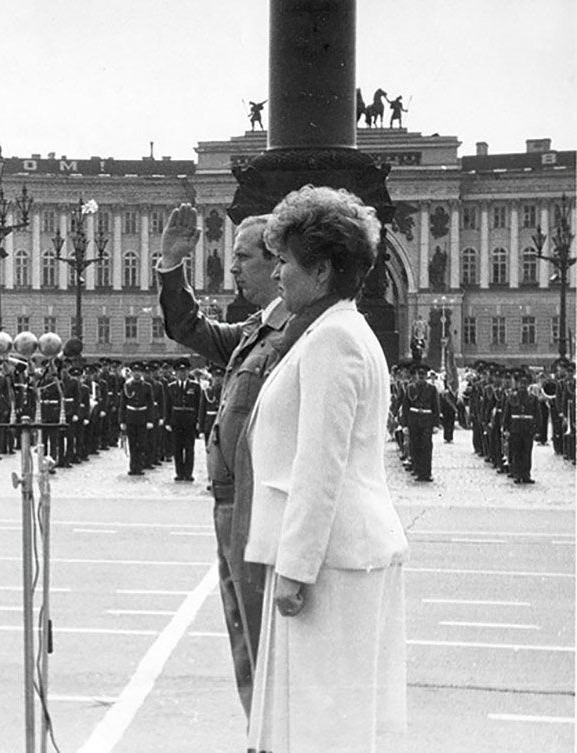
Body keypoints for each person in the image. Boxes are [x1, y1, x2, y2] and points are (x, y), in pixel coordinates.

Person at [243, 185, 409, 752]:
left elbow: (320, 465)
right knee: (332, 722)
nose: (277, 275)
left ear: (321, 271)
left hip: (329, 563)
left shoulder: (331, 340)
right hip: (340, 555)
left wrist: (294, 568)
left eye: (286, 262)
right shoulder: (338, 331)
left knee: (322, 728)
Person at [158, 207, 290, 713]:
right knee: (245, 644)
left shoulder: (292, 334)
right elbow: (189, 327)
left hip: (256, 507)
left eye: (242, 257)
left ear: (277, 262)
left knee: (263, 644)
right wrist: (172, 264)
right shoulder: (259, 329)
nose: (232, 268)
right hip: (230, 508)